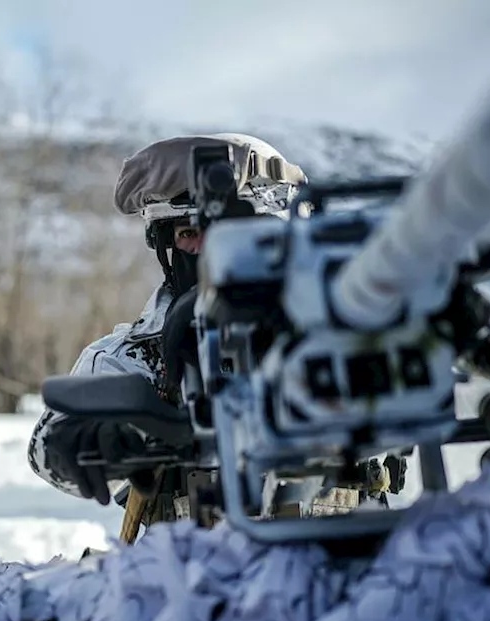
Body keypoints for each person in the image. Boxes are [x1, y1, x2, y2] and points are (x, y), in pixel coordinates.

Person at [27, 133, 393, 541]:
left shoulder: (345, 334)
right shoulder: (137, 355)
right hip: (194, 590)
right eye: (188, 232)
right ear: (166, 247)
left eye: (228, 229)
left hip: (354, 584)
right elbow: (50, 449)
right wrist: (98, 444)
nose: (209, 249)